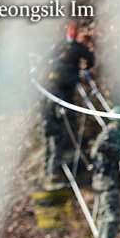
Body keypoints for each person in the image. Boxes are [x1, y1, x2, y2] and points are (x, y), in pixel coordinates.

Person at [40, 22, 95, 189]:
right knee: (51, 131)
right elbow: (46, 57)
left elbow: (90, 57)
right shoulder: (59, 46)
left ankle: (56, 165)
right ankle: (51, 170)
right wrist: (38, 67)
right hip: (54, 86)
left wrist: (86, 70)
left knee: (63, 123)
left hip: (67, 86)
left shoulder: (78, 48)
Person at [90, 106, 120, 238]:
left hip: (105, 180)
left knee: (107, 213)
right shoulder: (110, 133)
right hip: (107, 181)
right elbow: (100, 148)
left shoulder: (112, 133)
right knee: (112, 216)